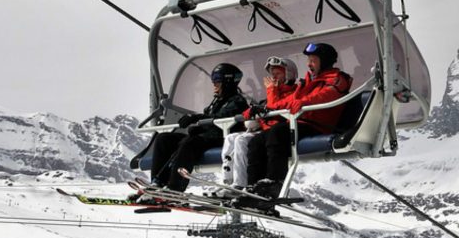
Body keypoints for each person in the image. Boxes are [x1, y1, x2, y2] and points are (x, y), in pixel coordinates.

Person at [246, 42, 352, 196]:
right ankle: (253, 186)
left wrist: (304, 102)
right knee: (257, 141)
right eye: (308, 60)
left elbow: (325, 96)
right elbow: (291, 101)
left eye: (313, 60)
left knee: (277, 133)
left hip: (318, 125)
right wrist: (270, 107)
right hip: (300, 122)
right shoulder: (308, 82)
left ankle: (275, 182)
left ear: (325, 61)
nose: (309, 64)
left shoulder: (337, 79)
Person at [147, 63, 249, 192]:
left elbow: (221, 118)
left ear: (228, 82)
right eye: (213, 80)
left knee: (189, 142)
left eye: (217, 80)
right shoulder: (217, 102)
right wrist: (198, 125)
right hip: (208, 137)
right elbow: (209, 118)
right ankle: (157, 183)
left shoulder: (237, 101)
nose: (214, 84)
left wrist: (197, 119)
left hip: (223, 138)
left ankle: (175, 187)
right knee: (164, 139)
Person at [215, 56, 299, 196]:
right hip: (264, 132)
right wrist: (253, 111)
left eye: (277, 74)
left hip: (278, 133)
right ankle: (230, 182)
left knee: (241, 140)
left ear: (289, 74)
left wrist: (272, 91)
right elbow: (249, 114)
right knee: (231, 138)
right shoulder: (271, 94)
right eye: (272, 75)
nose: (273, 78)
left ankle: (242, 184)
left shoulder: (294, 92)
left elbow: (274, 108)